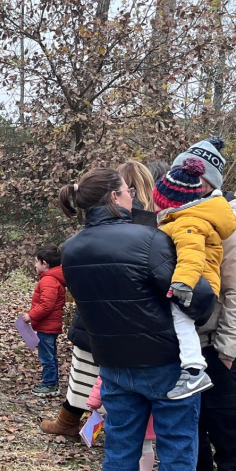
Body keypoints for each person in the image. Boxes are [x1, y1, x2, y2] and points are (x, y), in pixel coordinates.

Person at [57, 168, 214, 471]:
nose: (133, 197)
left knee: (120, 451)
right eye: (127, 191)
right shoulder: (150, 239)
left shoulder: (70, 249)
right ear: (114, 197)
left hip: (112, 364)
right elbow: (197, 294)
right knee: (177, 454)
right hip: (166, 364)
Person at [40, 162, 158, 436]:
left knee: (96, 373)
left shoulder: (133, 228)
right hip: (116, 316)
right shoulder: (142, 227)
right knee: (90, 371)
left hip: (103, 317)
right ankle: (76, 421)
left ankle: (86, 423)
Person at [187, 138, 236, 471]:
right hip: (193, 346)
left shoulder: (233, 224)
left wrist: (226, 353)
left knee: (230, 439)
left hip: (224, 350)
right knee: (196, 430)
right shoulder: (183, 215)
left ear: (206, 182)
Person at [153, 158, 236, 399]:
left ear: (169, 201)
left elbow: (192, 255)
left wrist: (183, 283)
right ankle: (191, 368)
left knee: (181, 320)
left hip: (195, 285)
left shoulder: (187, 222)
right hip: (197, 283)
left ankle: (193, 371)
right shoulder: (189, 217)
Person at [87, 376, 157, 471]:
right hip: (123, 410)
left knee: (144, 445)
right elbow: (103, 377)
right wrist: (94, 402)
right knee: (122, 443)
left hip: (145, 410)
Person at [23, 244, 66, 397]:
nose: (35, 265)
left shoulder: (49, 280)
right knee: (50, 355)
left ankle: (50, 384)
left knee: (46, 356)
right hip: (48, 325)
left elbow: (46, 305)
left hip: (47, 327)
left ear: (44, 264)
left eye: (36, 262)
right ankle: (52, 382)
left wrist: (31, 316)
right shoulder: (53, 278)